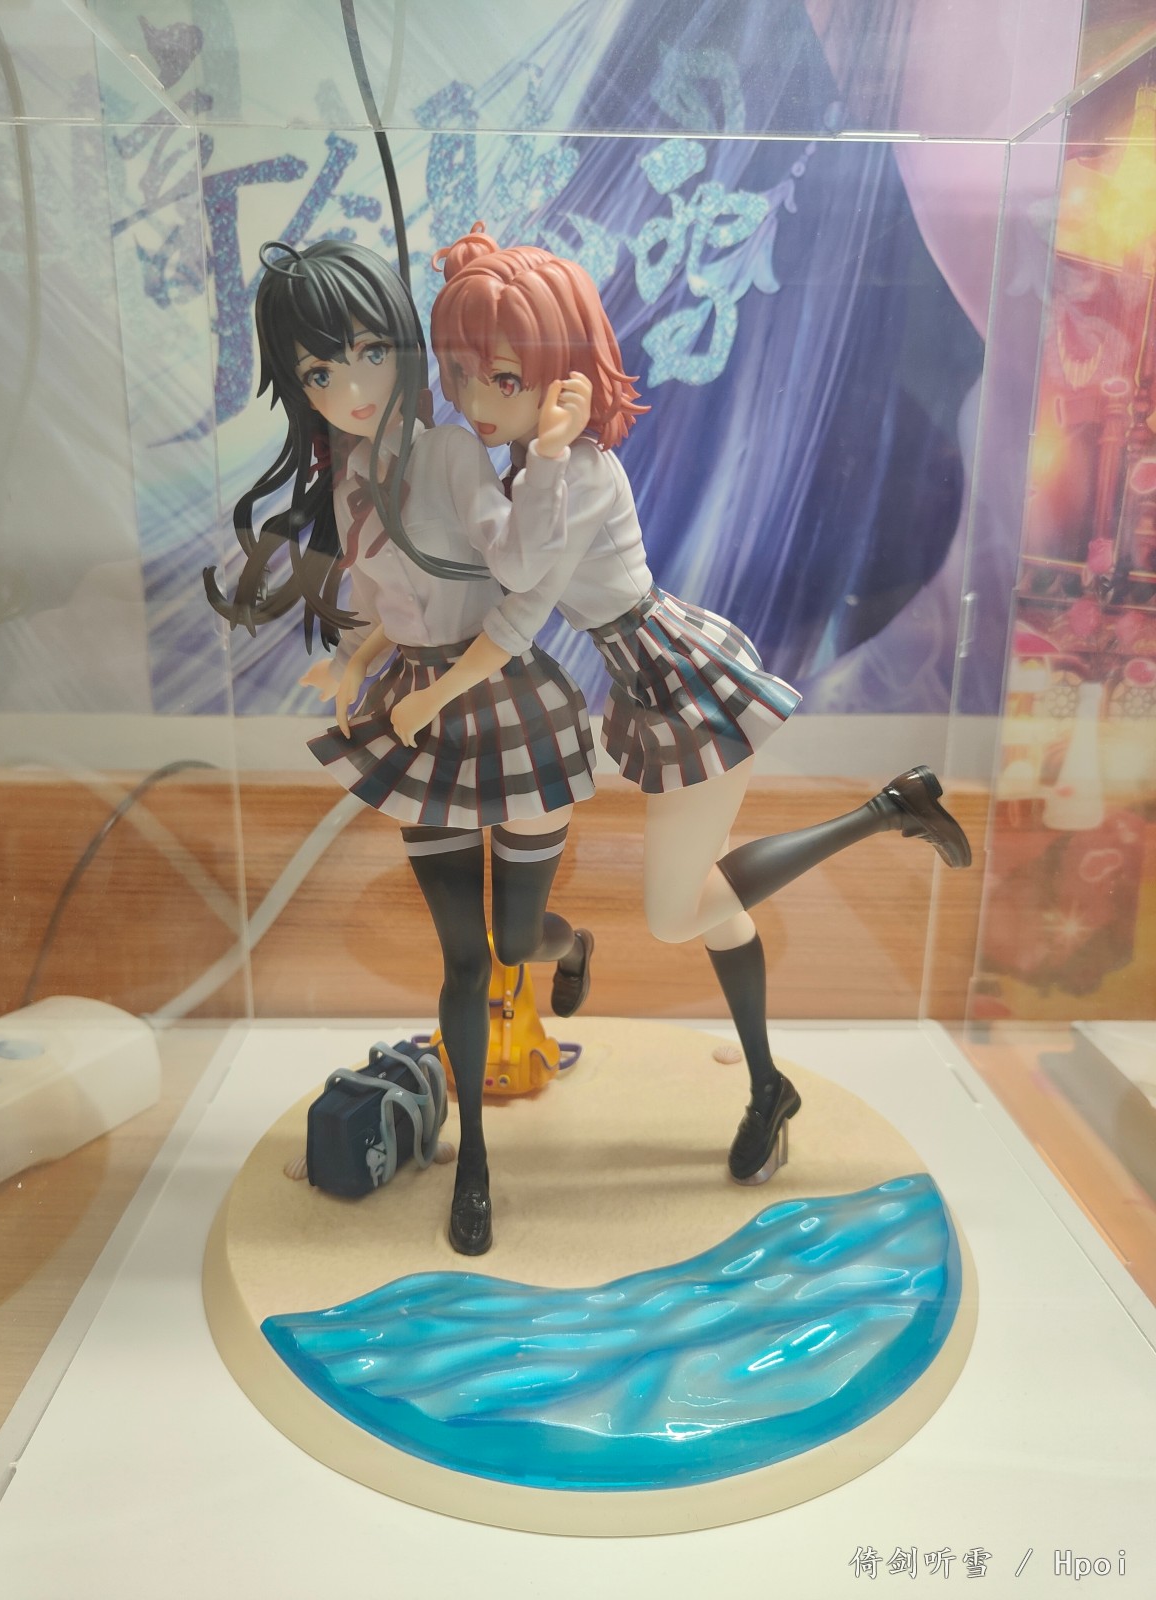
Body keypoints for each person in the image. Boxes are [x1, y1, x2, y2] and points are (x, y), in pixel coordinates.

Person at [390, 224, 971, 1190]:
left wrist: (434, 697)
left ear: (565, 375)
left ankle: (887, 811)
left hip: (685, 680)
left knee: (676, 913)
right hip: (648, 683)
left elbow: (520, 609)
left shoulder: (575, 472)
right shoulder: (536, 468)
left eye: (503, 378)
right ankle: (769, 1086)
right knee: (709, 903)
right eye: (460, 375)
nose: (476, 402)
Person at [204, 238, 597, 1255]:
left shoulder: (452, 453)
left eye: (371, 353)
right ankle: (474, 1166)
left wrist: (551, 457)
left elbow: (517, 564)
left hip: (504, 700)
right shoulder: (348, 482)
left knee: (515, 938)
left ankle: (571, 947)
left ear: (405, 348)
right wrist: (356, 661)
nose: (351, 389)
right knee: (462, 960)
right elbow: (394, 600)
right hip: (419, 713)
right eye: (319, 373)